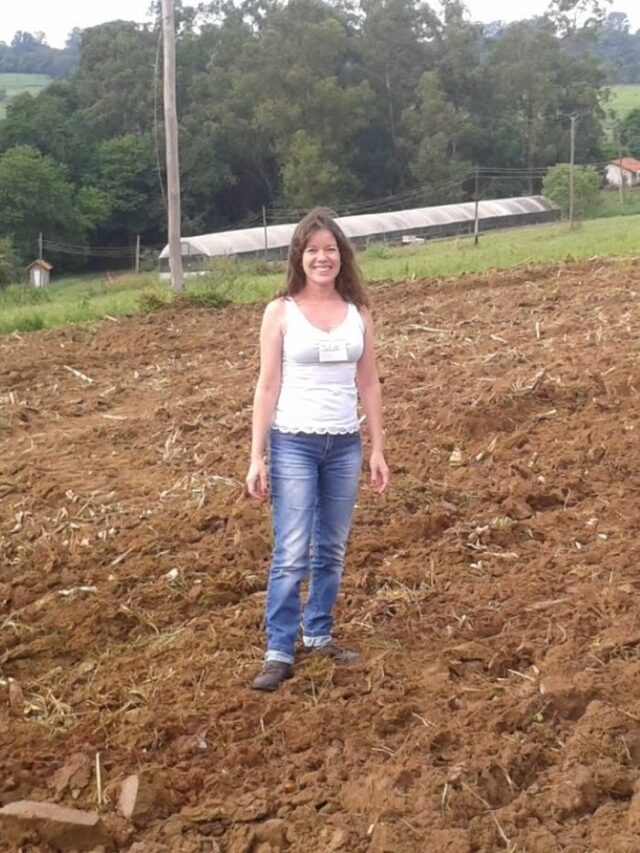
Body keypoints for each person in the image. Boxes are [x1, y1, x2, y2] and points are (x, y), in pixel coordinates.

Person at [246, 208, 389, 692]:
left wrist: (377, 450)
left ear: (341, 256)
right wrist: (256, 456)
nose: (322, 258)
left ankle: (318, 633)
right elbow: (267, 386)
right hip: (294, 445)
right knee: (291, 550)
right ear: (299, 257)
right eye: (313, 250)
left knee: (330, 549)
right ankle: (279, 649)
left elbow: (369, 384)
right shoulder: (280, 312)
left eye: (330, 249)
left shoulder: (358, 313)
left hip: (344, 445)